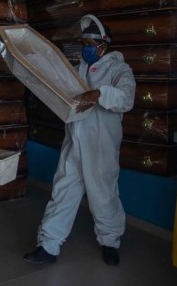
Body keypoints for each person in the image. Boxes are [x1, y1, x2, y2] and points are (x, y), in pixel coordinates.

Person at [24, 14, 136, 266]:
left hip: (101, 144)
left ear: (103, 45)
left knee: (103, 194)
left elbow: (126, 99)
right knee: (63, 190)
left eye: (89, 44)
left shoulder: (120, 69)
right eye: (83, 43)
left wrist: (99, 93)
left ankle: (109, 241)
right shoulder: (79, 70)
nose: (85, 49)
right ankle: (48, 246)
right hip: (74, 140)